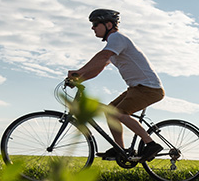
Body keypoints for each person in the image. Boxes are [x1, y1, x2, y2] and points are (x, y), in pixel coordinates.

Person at [68, 9, 164, 162]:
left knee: (119, 112)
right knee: (110, 111)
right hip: (137, 88)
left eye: (95, 24)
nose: (92, 27)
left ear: (108, 24)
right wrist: (79, 79)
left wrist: (79, 71)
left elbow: (103, 56)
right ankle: (120, 149)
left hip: (149, 88)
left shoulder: (117, 38)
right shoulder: (113, 43)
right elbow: (99, 68)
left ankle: (151, 144)